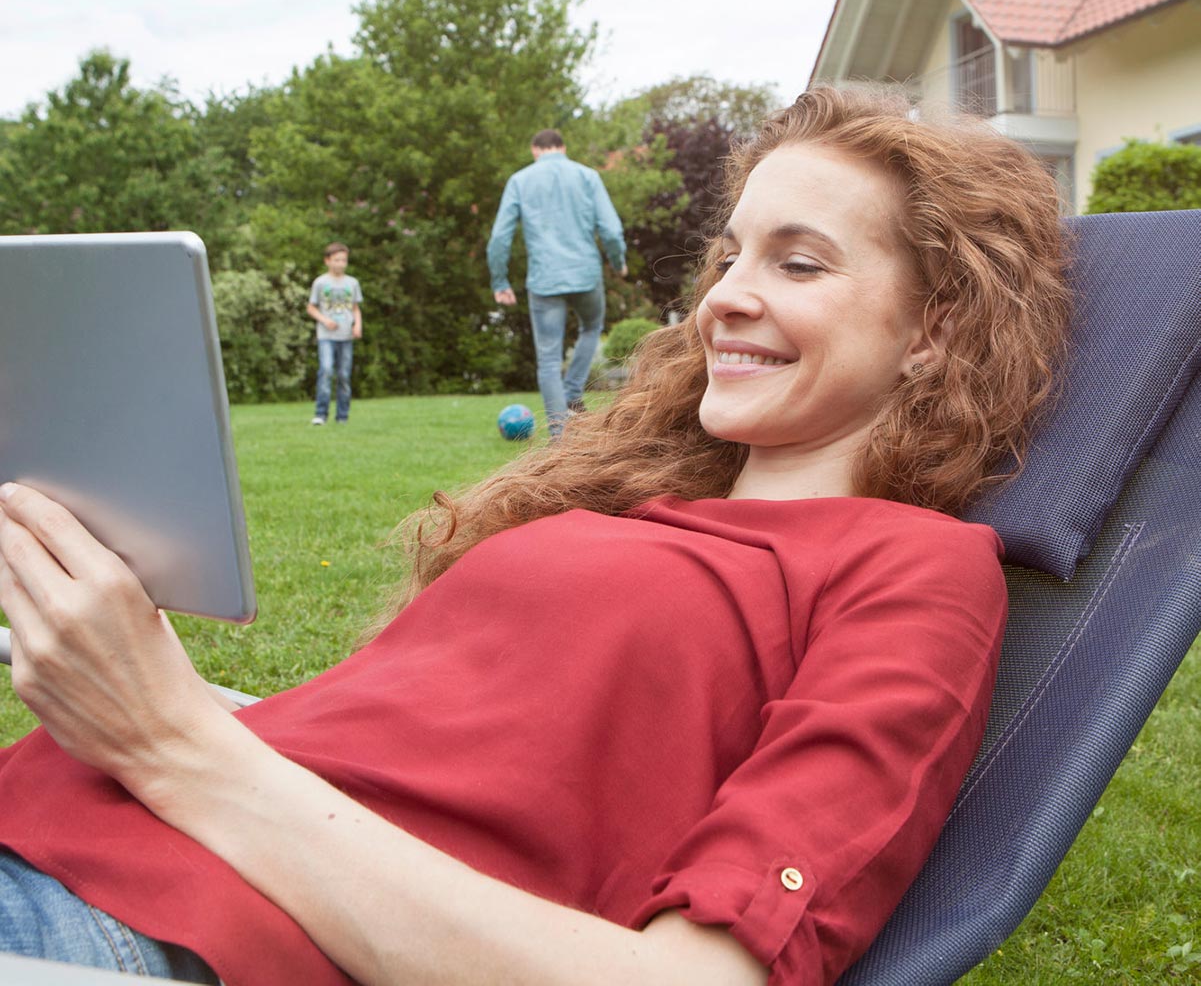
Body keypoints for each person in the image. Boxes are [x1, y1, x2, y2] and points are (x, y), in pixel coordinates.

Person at [0, 87, 1071, 986]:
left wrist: (169, 738)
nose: (724, 301)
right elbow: (402, 759)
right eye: (728, 256)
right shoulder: (637, 514)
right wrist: (124, 668)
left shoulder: (909, 568)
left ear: (932, 330)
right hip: (57, 820)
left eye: (798, 265)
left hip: (137, 928)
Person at [487, 129, 628, 437]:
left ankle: (558, 437)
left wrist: (500, 280)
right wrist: (618, 263)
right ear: (562, 148)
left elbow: (499, 237)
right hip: (585, 275)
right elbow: (612, 230)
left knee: (548, 358)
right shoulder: (588, 176)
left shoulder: (520, 181)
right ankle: (573, 394)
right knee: (591, 327)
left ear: (535, 150)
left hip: (545, 279)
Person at [306, 242, 363, 426]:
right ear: (327, 261)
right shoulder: (320, 282)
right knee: (326, 370)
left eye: (344, 260)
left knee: (344, 375)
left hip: (346, 336)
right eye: (337, 260)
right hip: (326, 336)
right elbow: (311, 308)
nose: (340, 263)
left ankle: (342, 416)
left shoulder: (352, 283)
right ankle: (321, 414)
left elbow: (355, 308)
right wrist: (324, 320)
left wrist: (357, 326)